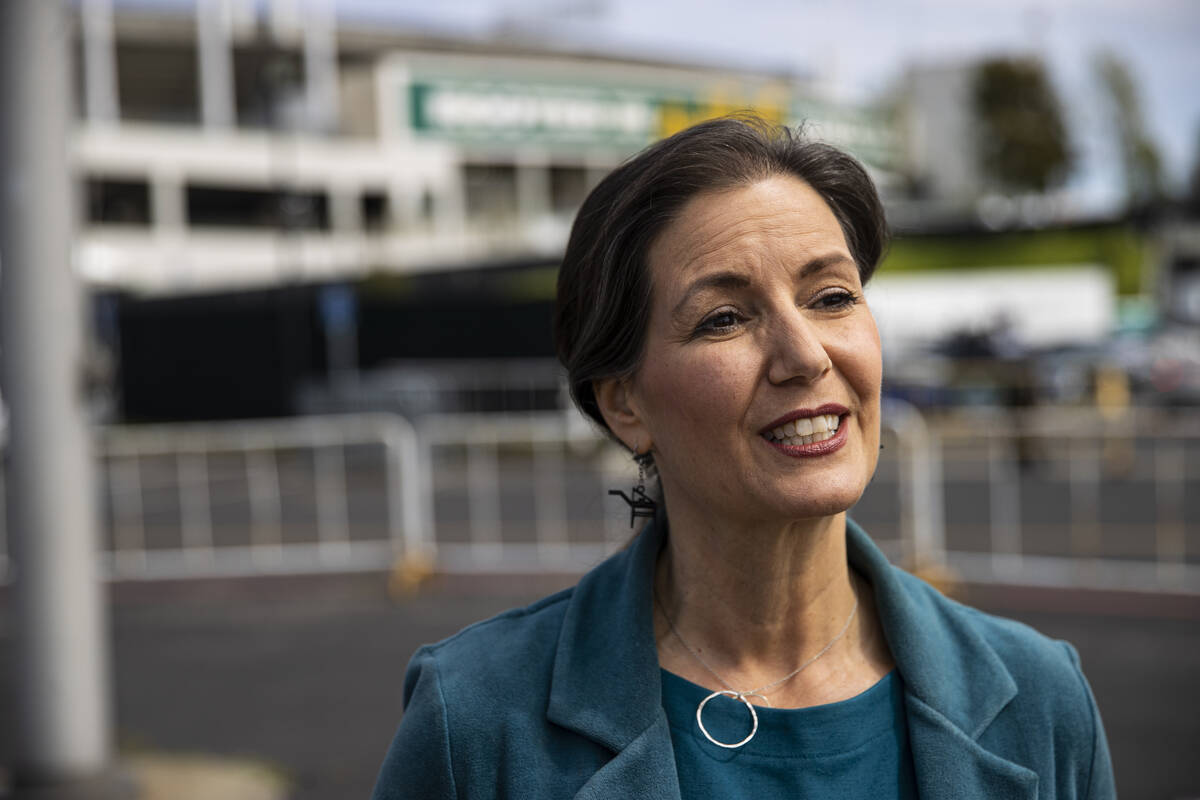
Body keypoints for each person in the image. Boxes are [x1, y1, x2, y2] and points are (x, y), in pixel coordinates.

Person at [371, 115, 1116, 799]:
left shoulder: (1043, 698)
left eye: (831, 297)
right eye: (725, 318)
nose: (805, 356)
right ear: (625, 405)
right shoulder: (473, 719)